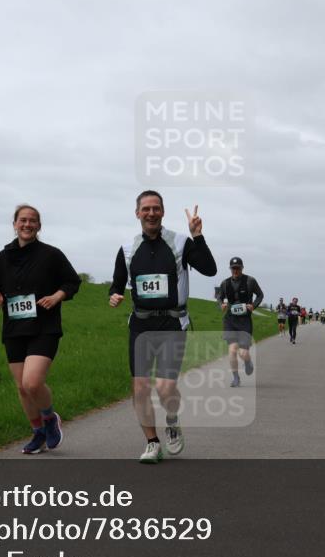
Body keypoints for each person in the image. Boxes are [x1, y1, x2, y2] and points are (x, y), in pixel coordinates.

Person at [109, 191, 217, 464]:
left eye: (156, 208)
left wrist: (198, 236)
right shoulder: (128, 248)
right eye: (146, 209)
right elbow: (117, 283)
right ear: (137, 213)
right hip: (141, 325)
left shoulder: (180, 242)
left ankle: (171, 419)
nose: (151, 213)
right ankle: (152, 443)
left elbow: (210, 269)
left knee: (165, 387)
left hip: (172, 323)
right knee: (140, 388)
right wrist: (114, 295)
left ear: (163, 212)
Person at [0, 205, 81, 454]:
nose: (27, 225)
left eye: (32, 221)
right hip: (14, 328)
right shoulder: (3, 256)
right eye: (23, 220)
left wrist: (57, 296)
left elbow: (72, 281)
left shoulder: (51, 255)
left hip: (44, 327)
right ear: (15, 224)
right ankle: (38, 432)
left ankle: (50, 419)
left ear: (39, 226)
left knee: (32, 382)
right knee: (21, 387)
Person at [217, 257, 264, 388]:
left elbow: (260, 295)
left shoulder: (250, 281)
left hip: (244, 321)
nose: (235, 270)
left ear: (242, 268)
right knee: (232, 350)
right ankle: (236, 378)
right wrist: (221, 304)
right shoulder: (225, 283)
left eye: (238, 268)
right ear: (230, 269)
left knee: (243, 353)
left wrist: (253, 305)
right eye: (233, 268)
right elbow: (219, 297)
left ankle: (248, 362)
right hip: (230, 320)